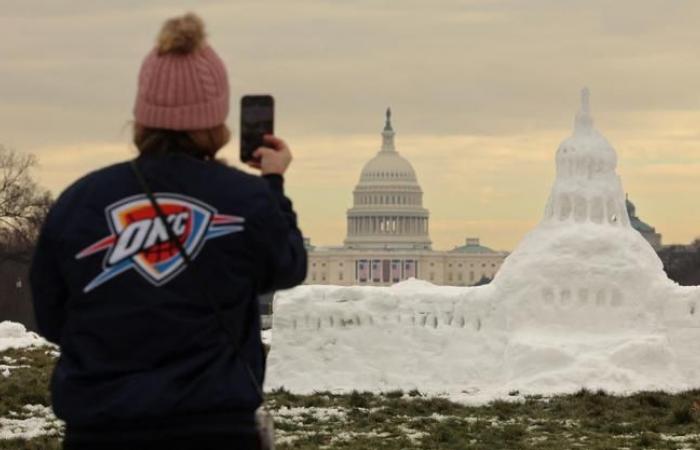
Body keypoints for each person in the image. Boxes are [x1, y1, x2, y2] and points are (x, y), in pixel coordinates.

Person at [29, 12, 307, 450]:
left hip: (101, 430)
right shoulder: (245, 200)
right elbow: (289, 266)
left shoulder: (78, 202)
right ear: (216, 120)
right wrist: (272, 183)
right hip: (215, 429)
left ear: (143, 116)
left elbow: (51, 315)